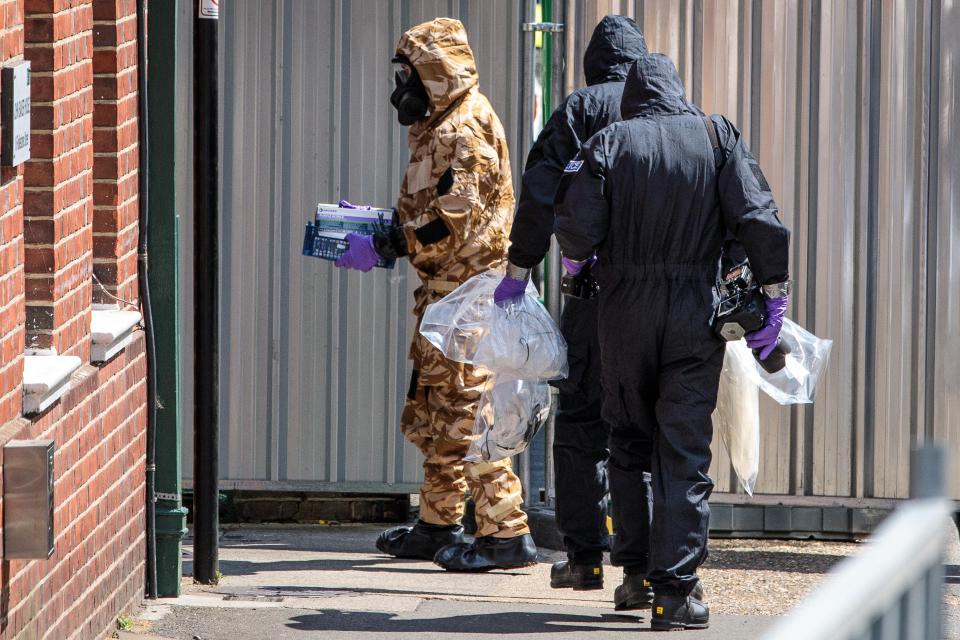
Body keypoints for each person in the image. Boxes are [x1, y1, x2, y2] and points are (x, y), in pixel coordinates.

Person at [553, 53, 790, 631]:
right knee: (683, 450)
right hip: (693, 310)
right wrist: (773, 293)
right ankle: (676, 593)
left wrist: (585, 267)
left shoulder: (608, 143)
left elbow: (576, 230)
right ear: (677, 91)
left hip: (622, 312)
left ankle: (634, 576)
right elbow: (758, 216)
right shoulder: (715, 135)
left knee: (629, 444)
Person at [335, 17, 538, 572]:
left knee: (466, 413)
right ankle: (437, 522)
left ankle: (505, 533)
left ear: (436, 74)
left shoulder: (461, 130)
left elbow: (453, 222)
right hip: (445, 295)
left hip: (467, 297)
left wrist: (389, 245)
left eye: (410, 75)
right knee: (436, 410)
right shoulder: (440, 123)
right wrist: (386, 226)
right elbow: (432, 210)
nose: (401, 88)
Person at [493, 15, 655, 609]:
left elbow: (540, 191)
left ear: (592, 65)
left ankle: (584, 560)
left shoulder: (579, 110)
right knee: (645, 432)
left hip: (589, 295)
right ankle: (644, 571)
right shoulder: (669, 111)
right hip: (660, 301)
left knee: (583, 422)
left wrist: (521, 267)